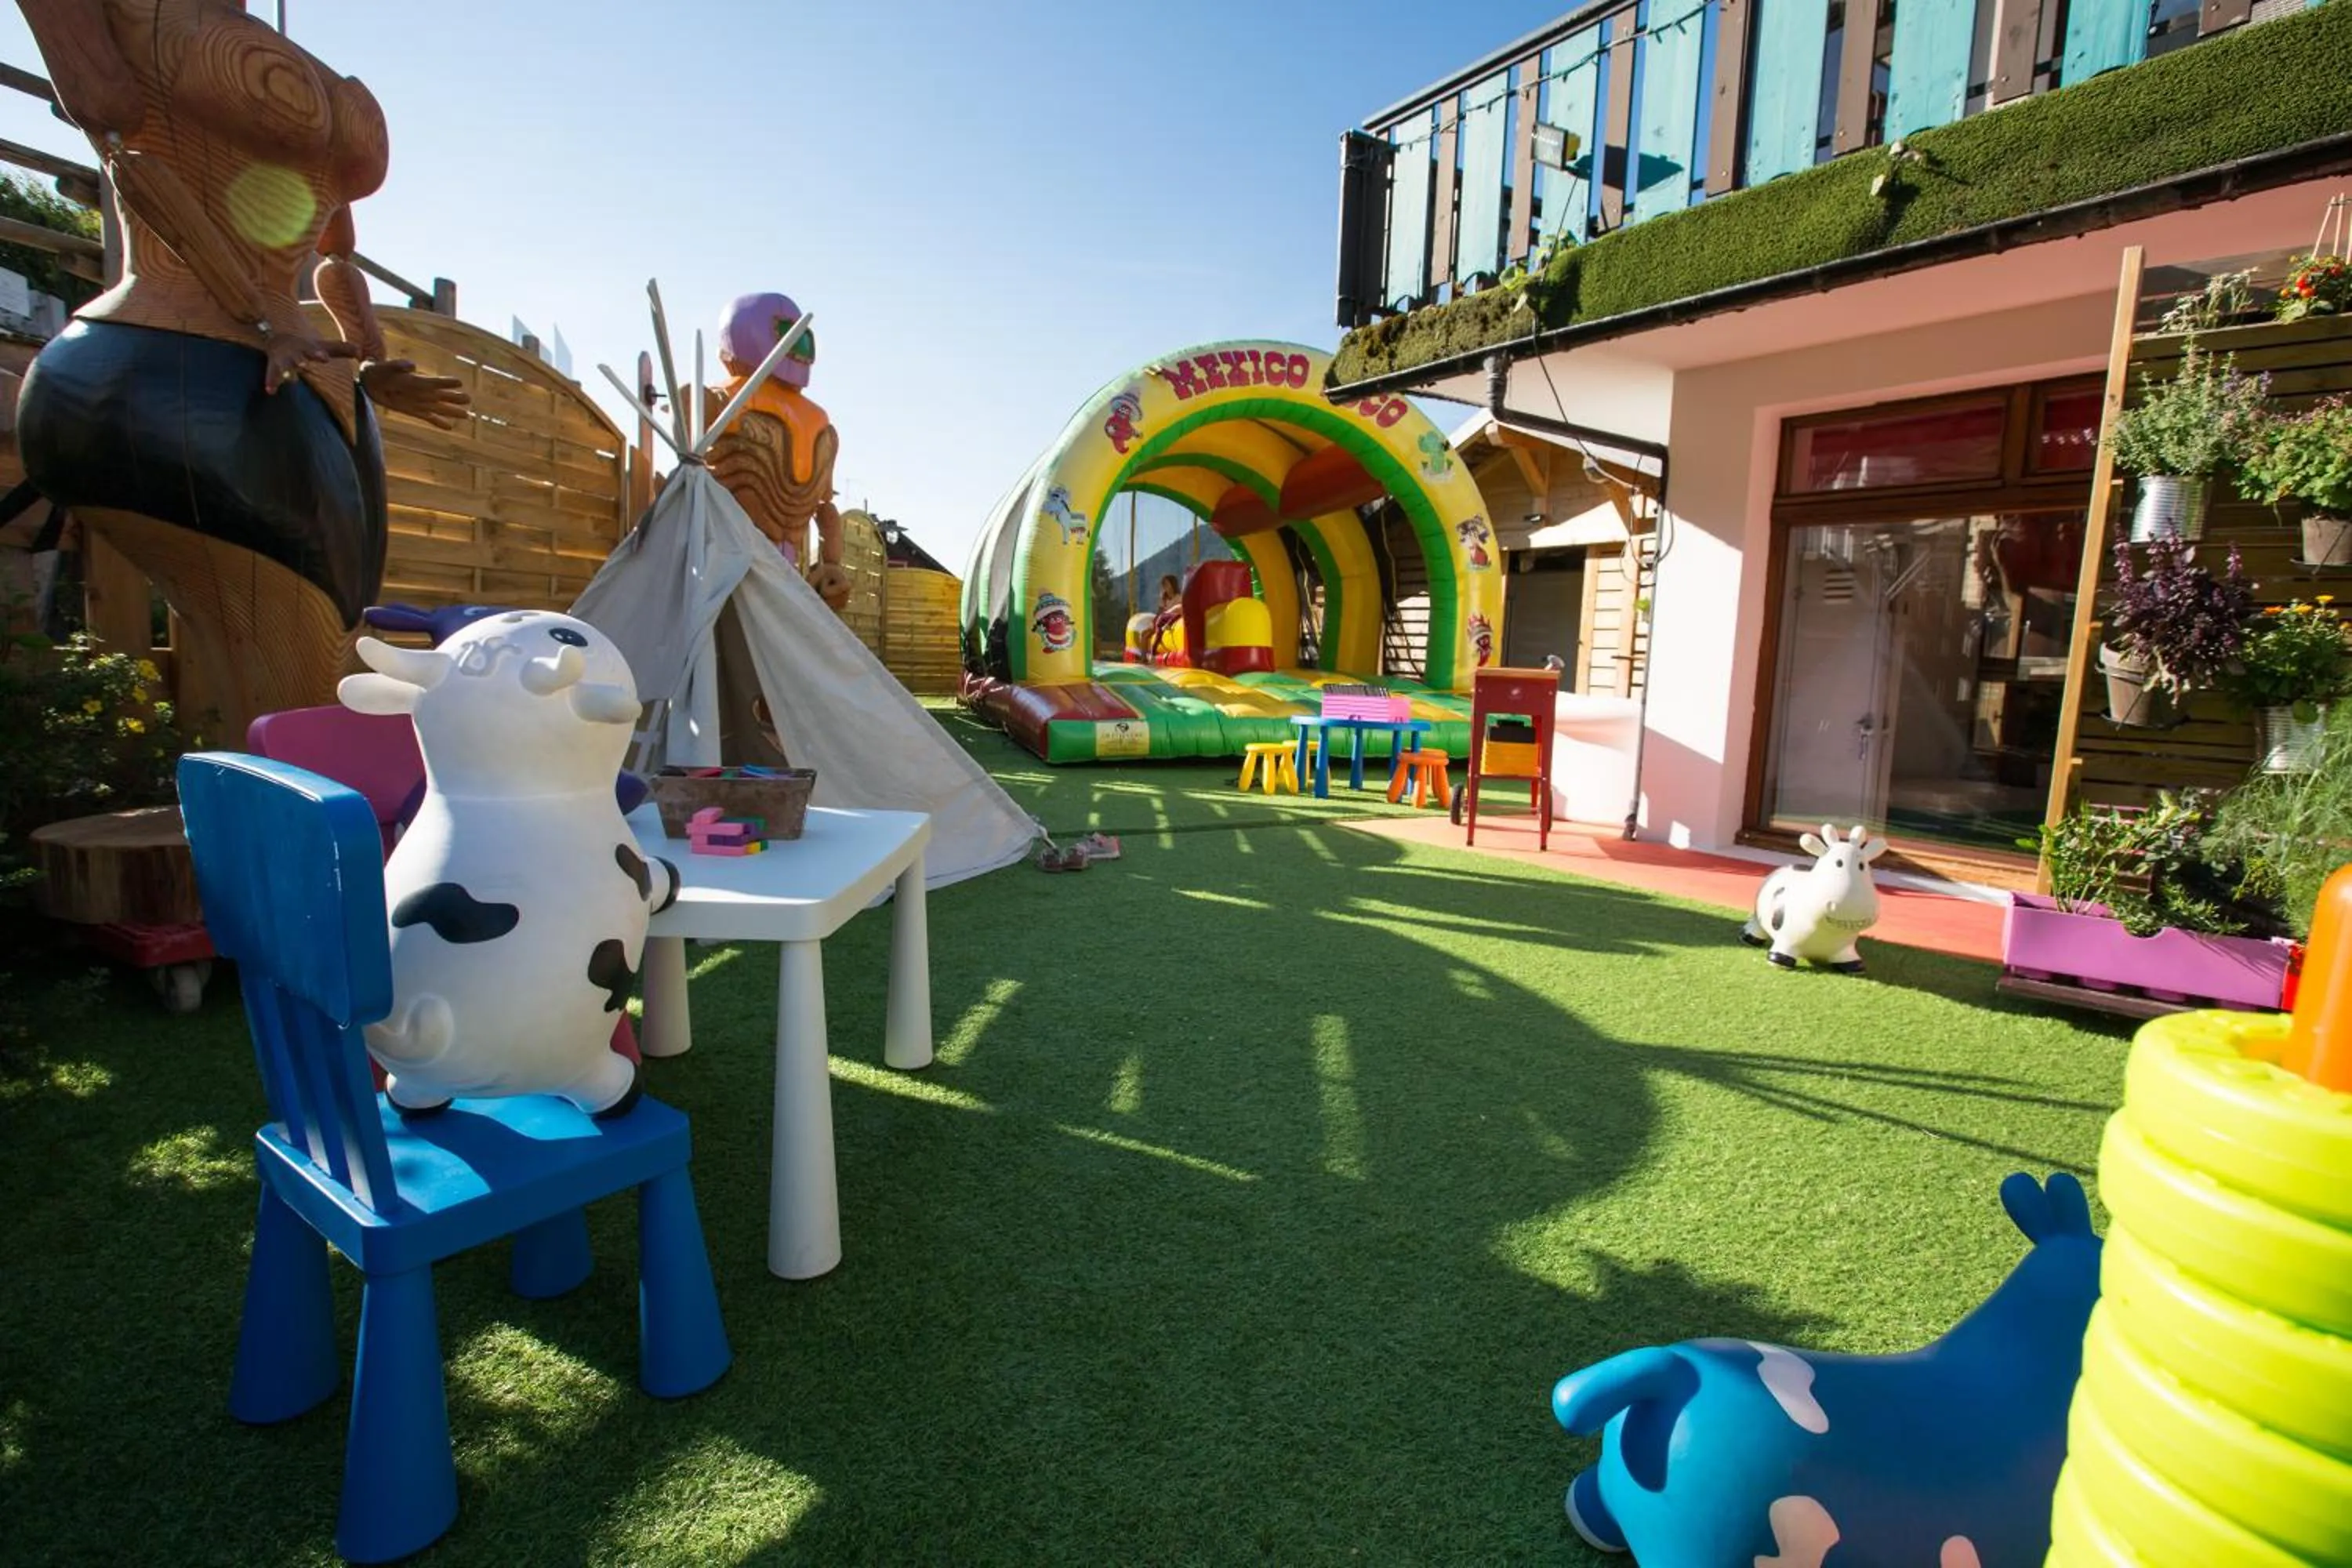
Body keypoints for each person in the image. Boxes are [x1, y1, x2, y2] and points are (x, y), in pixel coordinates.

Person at [14, 0, 469, 741]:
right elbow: (132, 163)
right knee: (301, 678)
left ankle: (294, 837)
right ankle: (297, 849)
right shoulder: (141, 15)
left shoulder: (296, 58)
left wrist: (368, 356)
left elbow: (333, 252)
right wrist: (264, 318)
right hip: (166, 361)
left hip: (296, 376)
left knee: (340, 645)